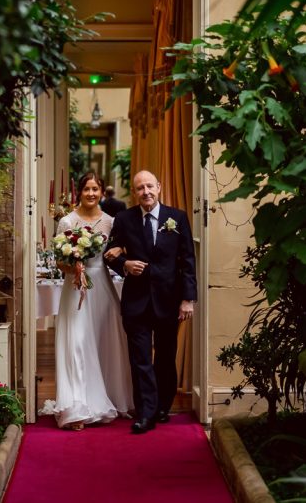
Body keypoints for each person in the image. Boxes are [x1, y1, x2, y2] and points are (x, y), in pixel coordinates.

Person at [104, 170, 196, 434]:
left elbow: (188, 260)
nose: (146, 192)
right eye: (140, 188)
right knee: (140, 359)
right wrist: (125, 264)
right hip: (136, 302)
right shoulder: (124, 219)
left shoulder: (177, 218)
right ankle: (145, 413)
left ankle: (162, 407)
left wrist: (188, 299)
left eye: (150, 186)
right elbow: (108, 254)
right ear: (134, 193)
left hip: (169, 300)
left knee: (166, 358)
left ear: (159, 187)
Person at [50, 172, 133, 430]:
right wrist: (74, 266)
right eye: (86, 189)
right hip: (75, 289)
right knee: (76, 343)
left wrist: (121, 250)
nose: (91, 193)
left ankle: (112, 397)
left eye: (95, 189)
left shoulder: (111, 222)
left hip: (102, 289)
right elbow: (59, 262)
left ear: (101, 191)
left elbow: (120, 250)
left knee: (104, 341)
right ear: (80, 192)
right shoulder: (67, 221)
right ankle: (77, 406)